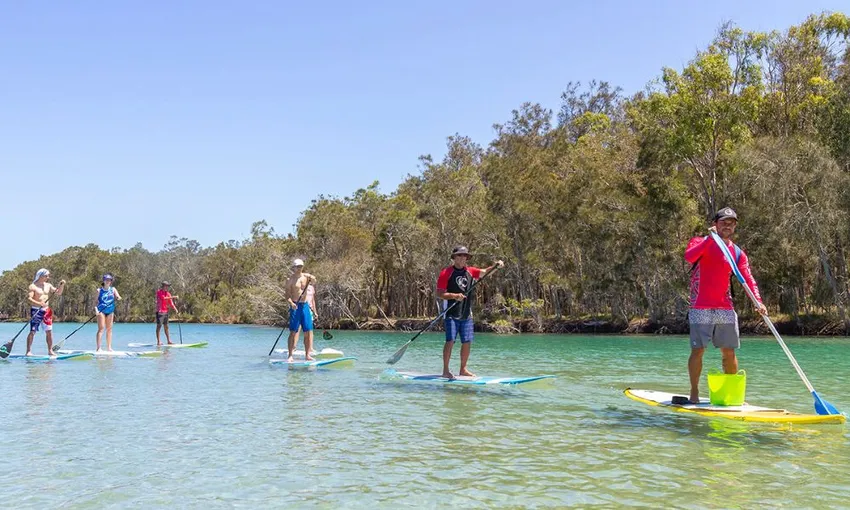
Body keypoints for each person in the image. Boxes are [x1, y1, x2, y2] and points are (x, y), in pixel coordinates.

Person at [684, 207, 767, 403]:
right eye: (724, 222)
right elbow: (690, 257)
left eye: (731, 223)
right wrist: (709, 240)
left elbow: (748, 279)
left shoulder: (737, 253)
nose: (727, 225)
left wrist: (759, 302)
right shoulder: (700, 242)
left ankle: (730, 395)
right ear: (716, 223)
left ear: (735, 227)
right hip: (700, 306)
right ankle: (694, 392)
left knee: (729, 351)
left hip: (725, 307)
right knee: (699, 350)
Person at [436, 246, 503, 379]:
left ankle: (463, 369)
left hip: (466, 313)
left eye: (464, 256)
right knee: (450, 341)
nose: (462, 258)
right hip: (451, 313)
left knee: (467, 341)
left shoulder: (471, 271)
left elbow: (485, 272)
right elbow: (440, 293)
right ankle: (445, 371)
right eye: (459, 256)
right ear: (454, 258)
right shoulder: (446, 273)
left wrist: (496, 266)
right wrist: (455, 296)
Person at [26, 268, 66, 356]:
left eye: (48, 275)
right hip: (36, 310)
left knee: (49, 331)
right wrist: (39, 303)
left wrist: (62, 285)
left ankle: (50, 350)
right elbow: (29, 298)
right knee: (33, 331)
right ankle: (28, 351)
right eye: (46, 275)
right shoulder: (33, 286)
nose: (48, 277)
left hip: (46, 311)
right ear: (40, 276)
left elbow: (58, 293)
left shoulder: (48, 285)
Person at [285, 259, 316, 361]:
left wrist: (311, 276)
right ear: (293, 267)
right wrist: (291, 304)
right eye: (297, 266)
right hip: (295, 306)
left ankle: (307, 355)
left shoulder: (306, 277)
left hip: (305, 305)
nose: (299, 268)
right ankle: (290, 355)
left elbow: (314, 281)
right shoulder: (290, 280)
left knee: (308, 330)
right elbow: (287, 296)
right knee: (293, 331)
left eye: (301, 266)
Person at [95, 274, 122, 352]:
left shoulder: (113, 289)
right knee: (101, 328)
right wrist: (96, 310)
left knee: (109, 329)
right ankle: (98, 347)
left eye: (109, 280)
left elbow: (118, 296)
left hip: (110, 311)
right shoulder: (99, 290)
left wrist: (118, 298)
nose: (108, 281)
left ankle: (109, 347)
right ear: (103, 280)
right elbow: (95, 302)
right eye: (106, 280)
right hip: (101, 311)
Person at [155, 281, 180, 346]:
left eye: (168, 286)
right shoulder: (159, 292)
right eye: (166, 286)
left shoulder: (168, 294)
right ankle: (158, 342)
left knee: (166, 326)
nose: (167, 287)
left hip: (165, 312)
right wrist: (174, 297)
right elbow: (163, 298)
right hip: (160, 311)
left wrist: (176, 310)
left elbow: (171, 303)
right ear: (163, 286)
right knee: (159, 326)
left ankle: (169, 341)